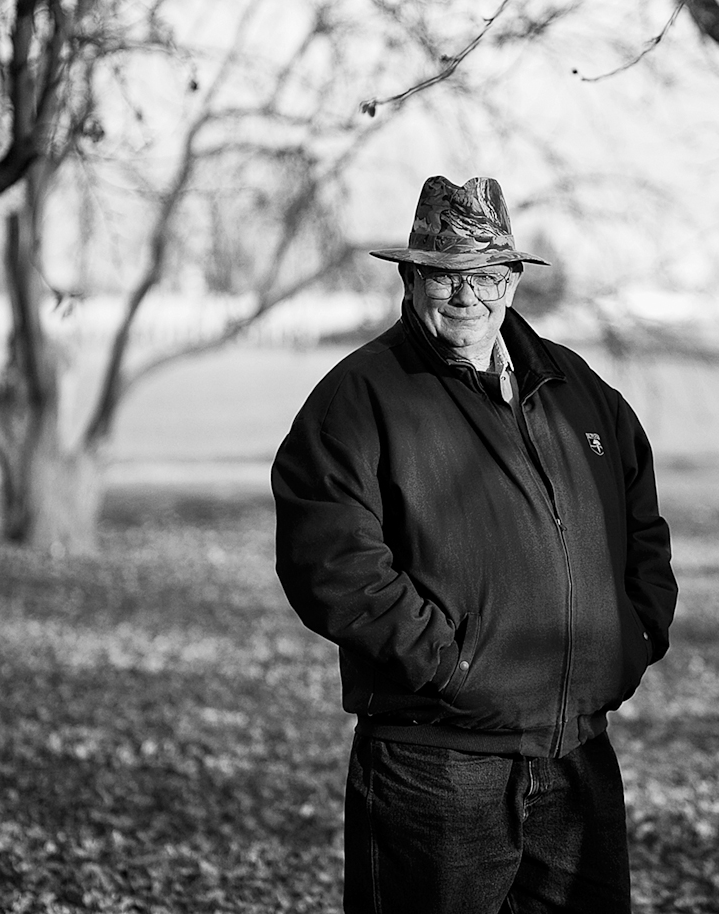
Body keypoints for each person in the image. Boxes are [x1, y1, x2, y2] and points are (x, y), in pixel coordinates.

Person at [272, 175, 676, 914]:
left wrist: (637, 633)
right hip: (436, 767)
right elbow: (329, 561)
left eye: (486, 275)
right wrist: (449, 665)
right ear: (411, 276)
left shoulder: (577, 389)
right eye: (445, 277)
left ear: (514, 281)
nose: (468, 296)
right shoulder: (359, 399)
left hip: (577, 759)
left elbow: (641, 521)